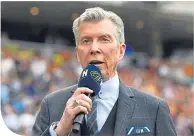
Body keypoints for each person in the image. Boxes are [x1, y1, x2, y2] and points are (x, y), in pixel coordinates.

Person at [32, 7, 177, 136]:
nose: (94, 48)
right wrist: (60, 130)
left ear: (121, 51)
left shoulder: (154, 109)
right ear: (77, 53)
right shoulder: (51, 104)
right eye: (86, 41)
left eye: (104, 39)